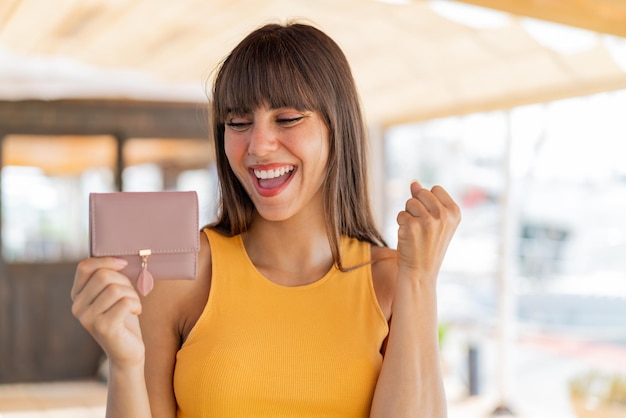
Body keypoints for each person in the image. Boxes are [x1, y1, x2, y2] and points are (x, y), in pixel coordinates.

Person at [71, 21, 460, 418]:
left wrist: (419, 278)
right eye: (238, 123)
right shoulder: (178, 276)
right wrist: (125, 365)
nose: (257, 145)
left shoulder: (393, 281)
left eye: (287, 118)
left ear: (336, 128)